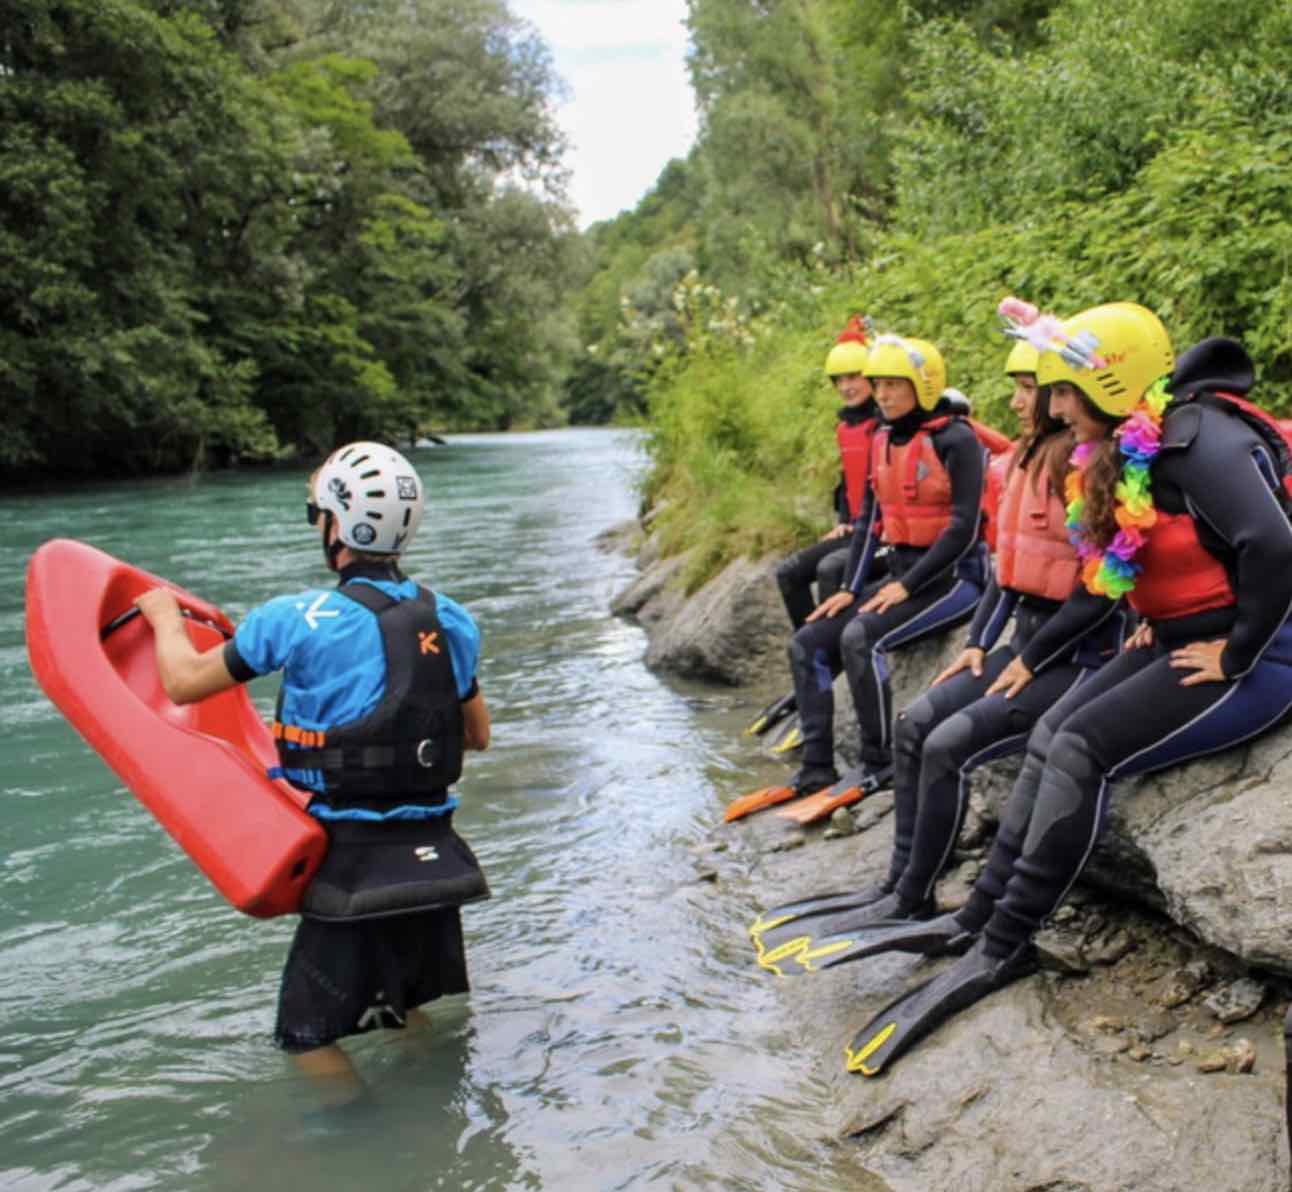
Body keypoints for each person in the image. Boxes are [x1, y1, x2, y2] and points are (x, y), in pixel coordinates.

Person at [829, 303, 1292, 1076]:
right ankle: (980, 914)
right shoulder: (1130, 445)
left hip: (1262, 654)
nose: (1056, 407)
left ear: (1112, 386)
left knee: (1080, 746)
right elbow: (1149, 552)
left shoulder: (1202, 441)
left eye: (1067, 392)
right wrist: (1151, 613)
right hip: (1177, 635)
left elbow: (1275, 545)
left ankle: (1007, 942)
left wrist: (1238, 652)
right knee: (1048, 735)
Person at [752, 332, 1127, 966]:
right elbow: (1012, 568)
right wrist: (979, 642)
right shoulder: (1027, 458)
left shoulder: (1091, 466)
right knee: (915, 725)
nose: (1017, 402)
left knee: (948, 744)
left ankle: (938, 902)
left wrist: (1028, 659)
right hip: (1024, 643)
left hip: (1078, 657)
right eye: (1023, 389)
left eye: (1031, 389)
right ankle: (906, 891)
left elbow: (1106, 591)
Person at [134, 441, 491, 1101]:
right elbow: (478, 736)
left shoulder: (293, 618)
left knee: (305, 1036)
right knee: (404, 1009)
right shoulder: (455, 621)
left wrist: (161, 616)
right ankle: (437, 1121)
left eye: (316, 514)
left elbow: (182, 682)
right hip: (436, 857)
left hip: (352, 867)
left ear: (337, 527)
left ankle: (364, 1138)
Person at [784, 335, 989, 801]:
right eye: (878, 385)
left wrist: (907, 586)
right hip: (902, 573)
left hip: (956, 580)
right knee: (807, 643)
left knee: (860, 637)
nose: (882, 394)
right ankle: (816, 766)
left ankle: (879, 762)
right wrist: (849, 588)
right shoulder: (880, 438)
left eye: (894, 384)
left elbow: (963, 528)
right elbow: (868, 523)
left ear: (923, 384)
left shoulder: (956, 439)